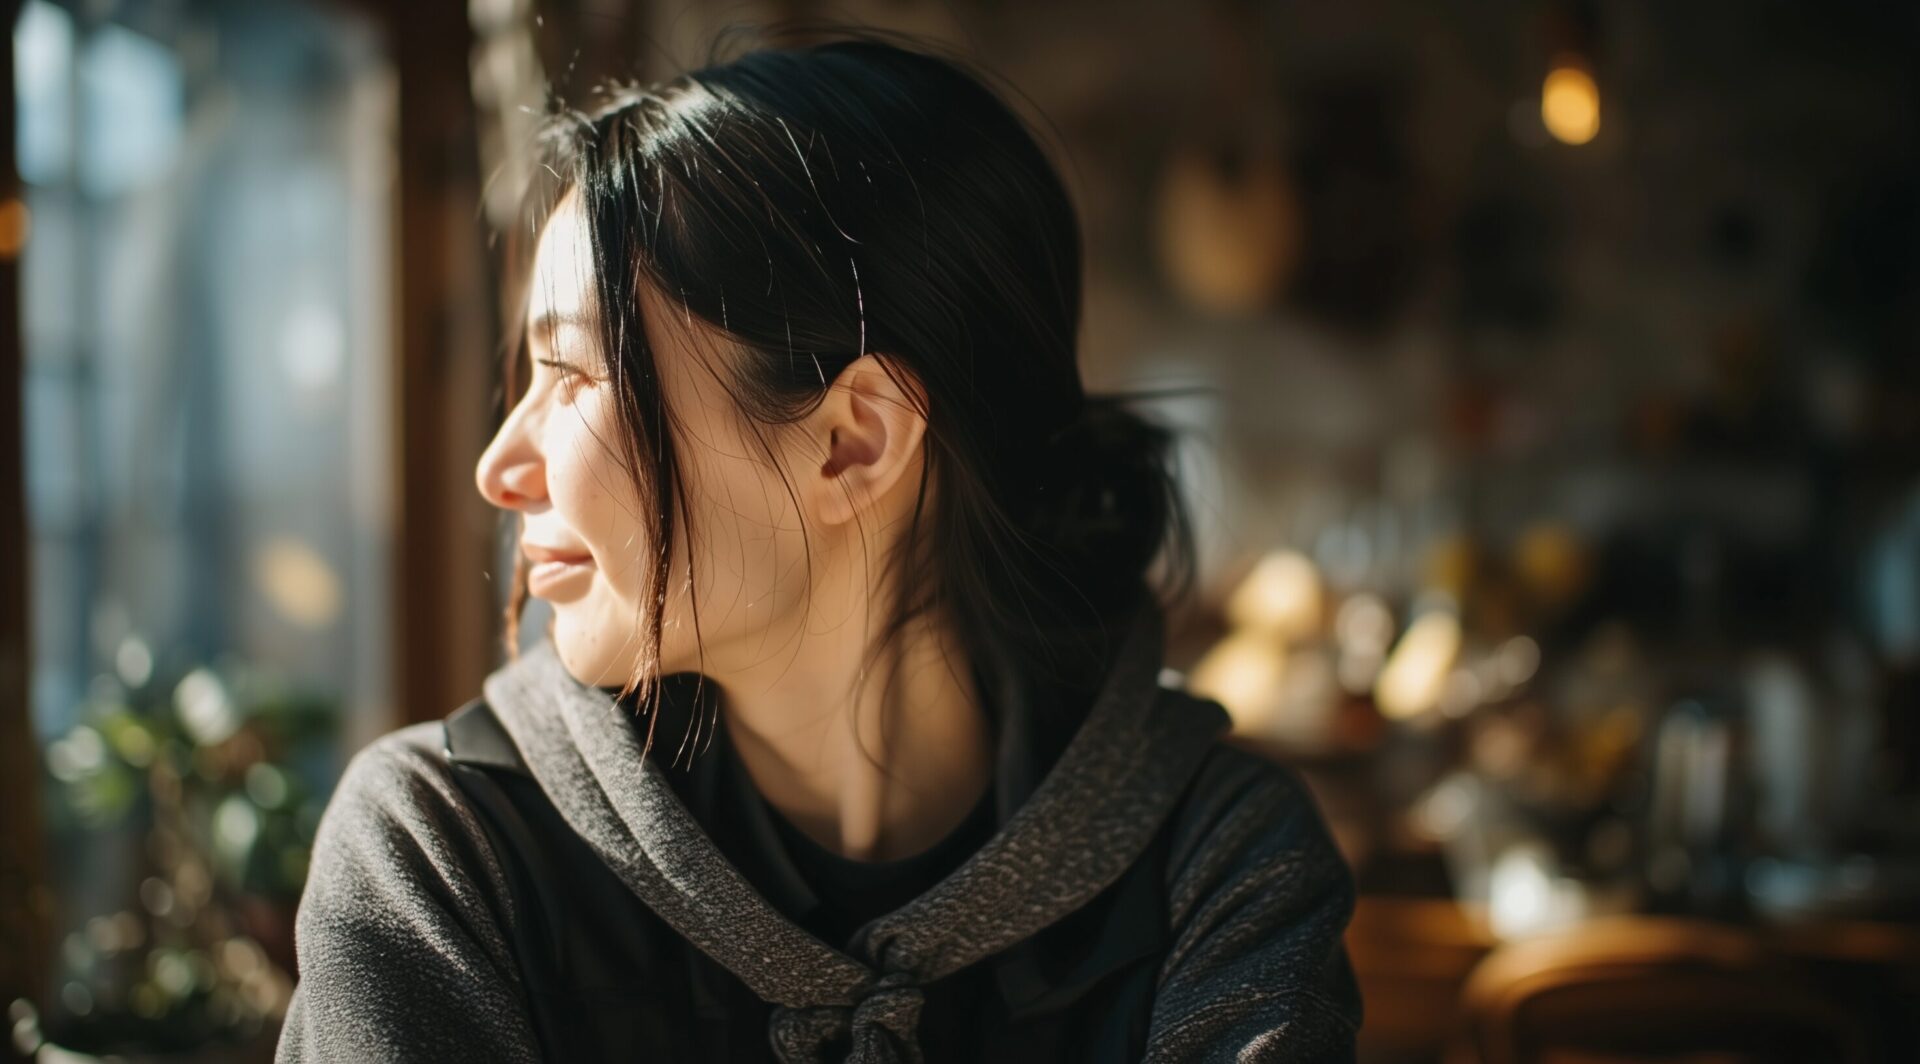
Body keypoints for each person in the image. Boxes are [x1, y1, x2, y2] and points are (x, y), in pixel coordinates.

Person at [275, 30, 1360, 1064]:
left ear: (854, 441)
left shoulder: (1220, 871)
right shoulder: (442, 857)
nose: (498, 467)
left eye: (573, 377)